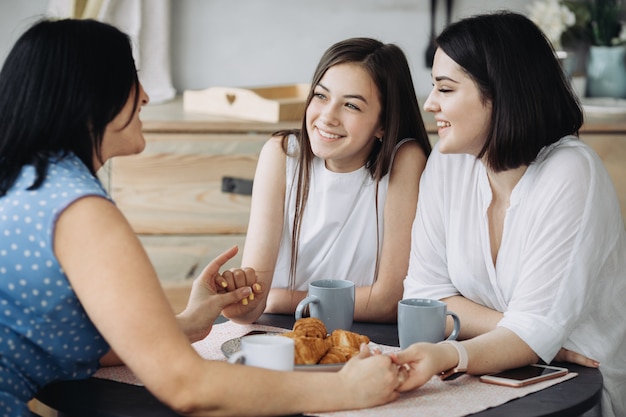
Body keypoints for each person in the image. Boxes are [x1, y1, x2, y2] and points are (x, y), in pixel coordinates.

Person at [0, 19, 406, 417]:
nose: (144, 96)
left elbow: (62, 340)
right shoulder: (80, 210)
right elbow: (187, 386)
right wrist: (345, 388)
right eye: (130, 81)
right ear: (87, 100)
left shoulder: (33, 184)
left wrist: (186, 323)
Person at [392, 11, 626, 417]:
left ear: (500, 93)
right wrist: (522, 331)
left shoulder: (571, 172)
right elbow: (424, 297)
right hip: (506, 374)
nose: (430, 104)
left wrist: (451, 352)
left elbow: (526, 336)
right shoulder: (449, 163)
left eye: (445, 89)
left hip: (579, 389)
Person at [219, 37, 432, 324]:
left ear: (383, 124)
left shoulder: (404, 160)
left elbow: (387, 302)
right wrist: (241, 306)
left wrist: (280, 298)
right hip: (280, 329)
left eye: (352, 106)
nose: (327, 117)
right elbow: (255, 299)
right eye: (321, 96)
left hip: (366, 336)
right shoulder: (282, 153)